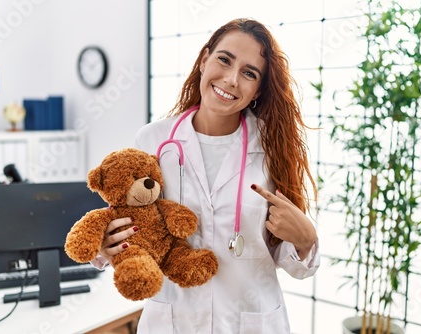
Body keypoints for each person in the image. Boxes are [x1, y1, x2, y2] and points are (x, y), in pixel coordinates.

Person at [93, 18, 320, 333]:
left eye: (249, 73)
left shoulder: (272, 147)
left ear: (257, 91)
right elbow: (129, 226)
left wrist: (306, 239)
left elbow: (292, 259)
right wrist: (105, 246)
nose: (230, 79)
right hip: (173, 321)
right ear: (204, 60)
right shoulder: (153, 141)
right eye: (224, 60)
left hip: (250, 320)